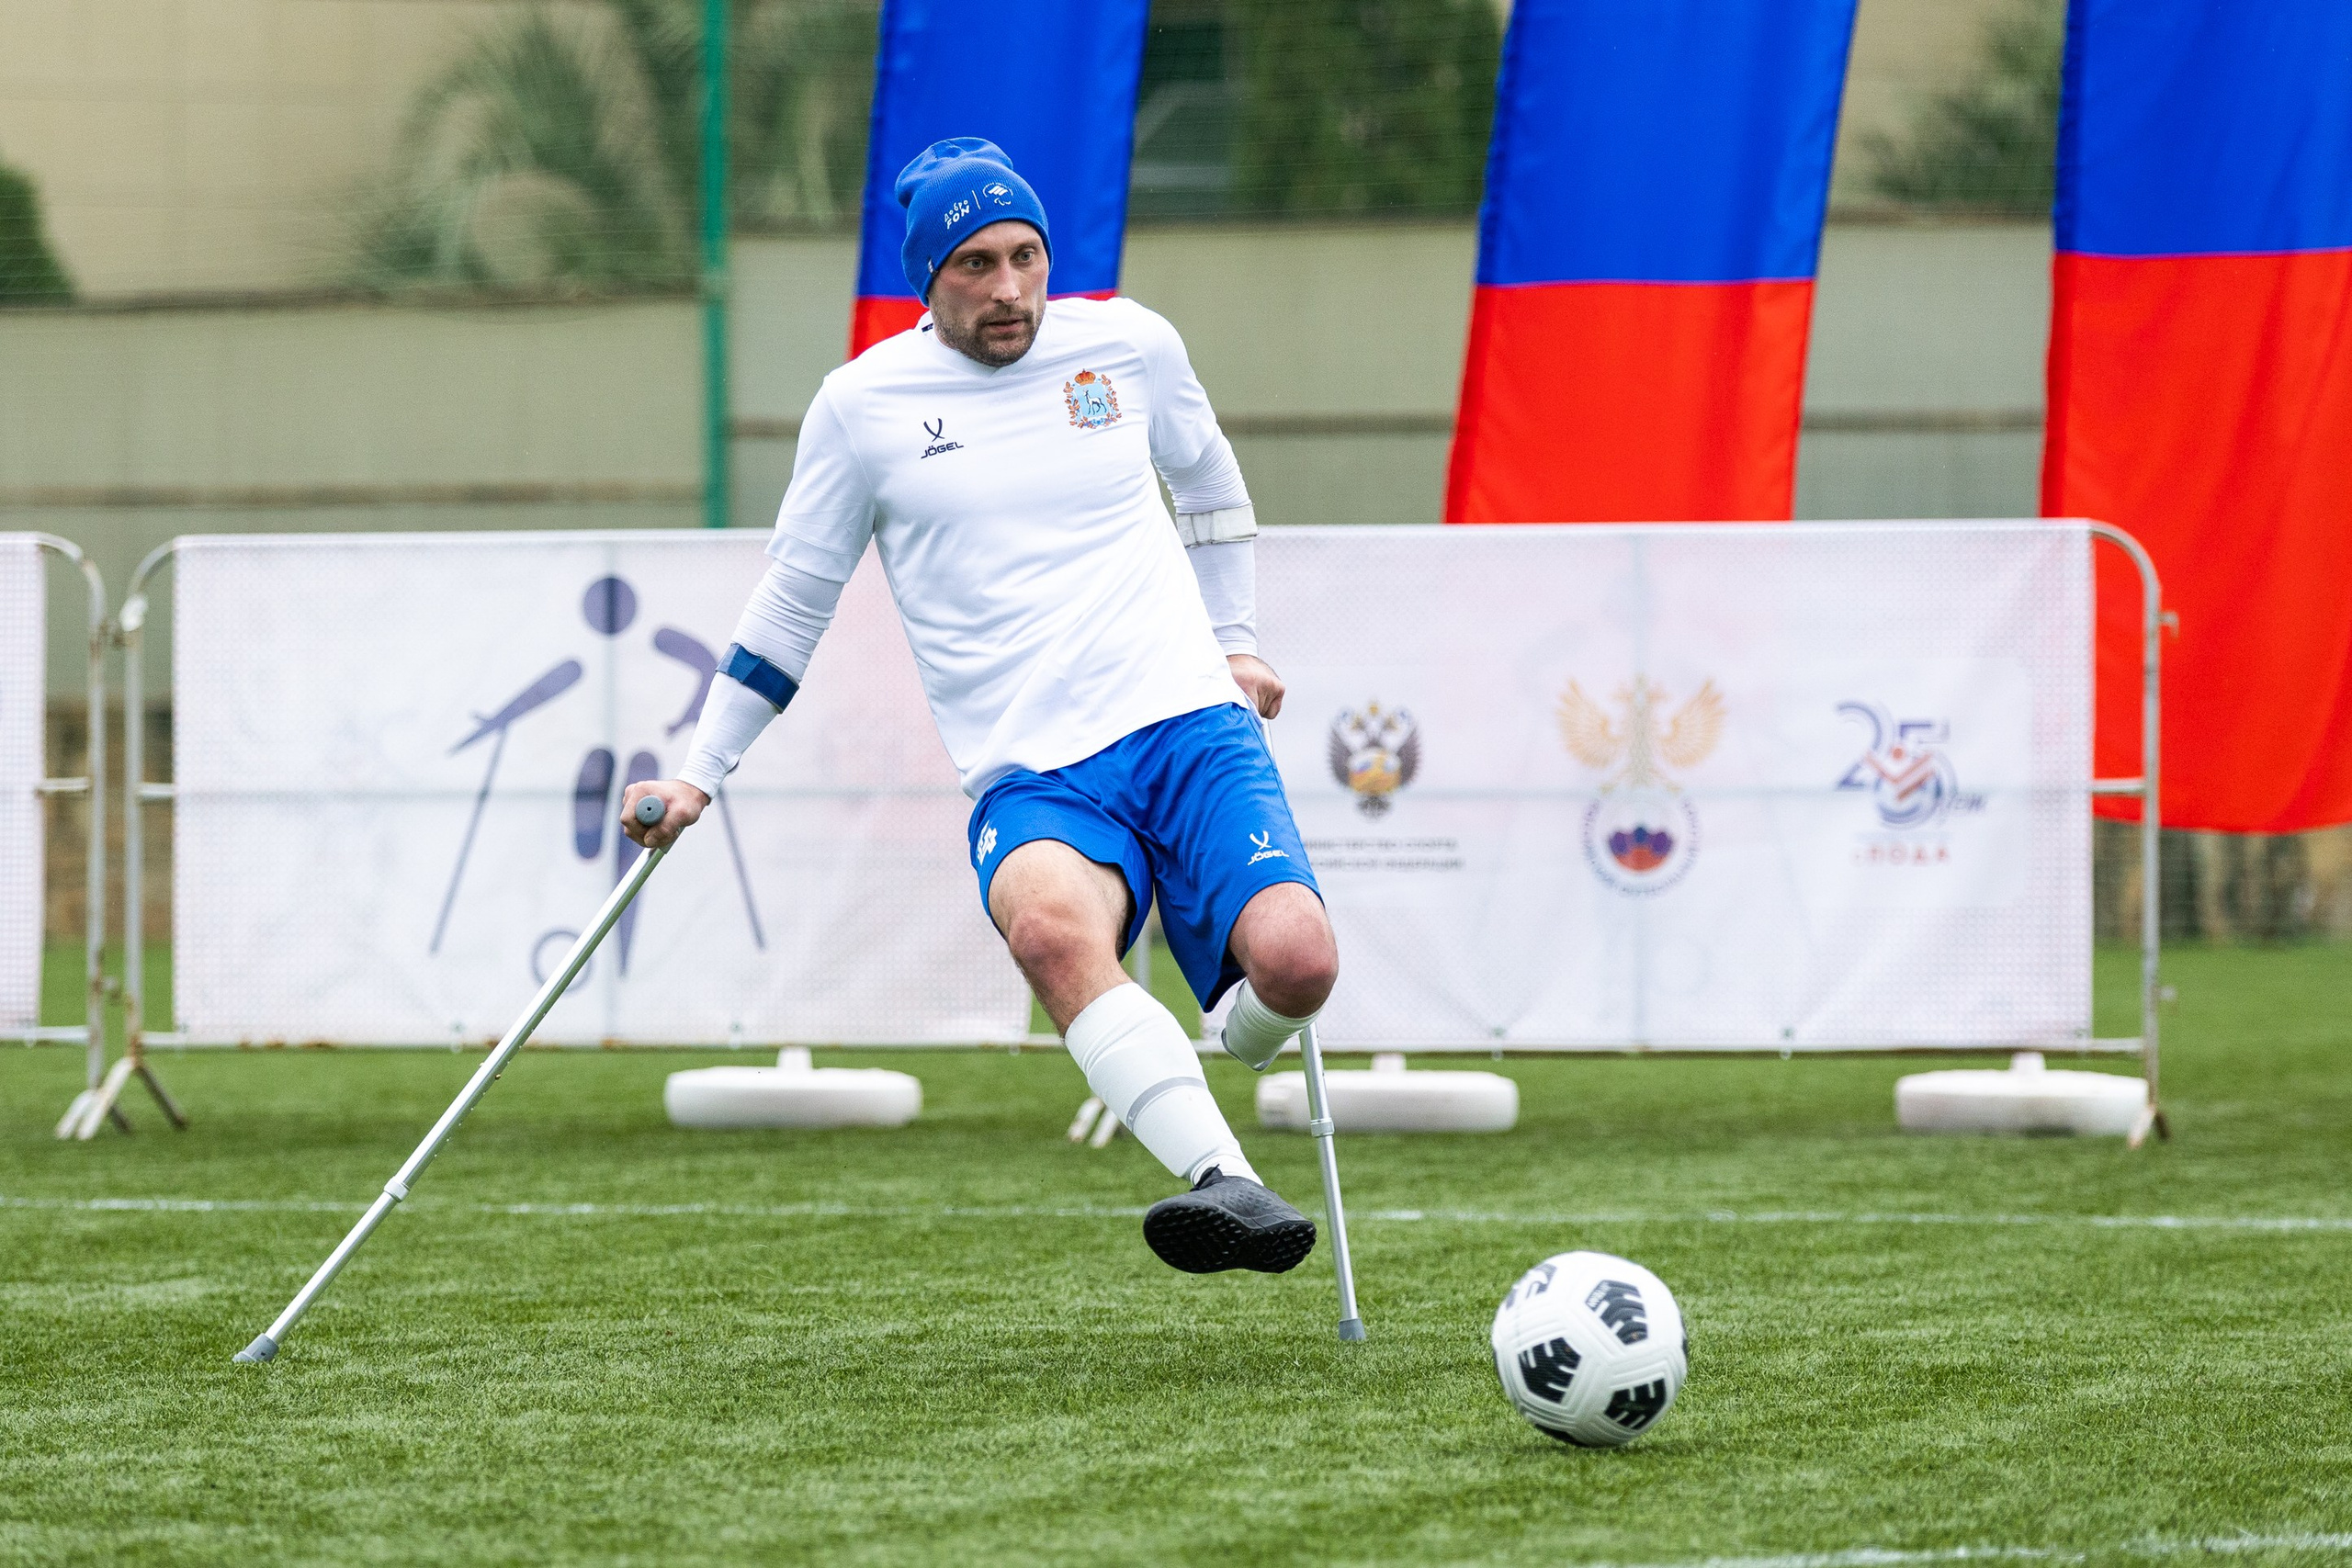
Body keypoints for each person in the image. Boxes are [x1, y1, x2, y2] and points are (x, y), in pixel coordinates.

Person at [623, 138, 1338, 1276]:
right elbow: (790, 608)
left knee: (1298, 966)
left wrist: (1235, 642)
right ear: (926, 278)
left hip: (1187, 722)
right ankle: (1229, 1184)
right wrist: (699, 772)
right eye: (974, 265)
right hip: (1033, 771)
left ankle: (1226, 1040)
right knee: (1052, 931)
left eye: (1025, 257)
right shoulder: (861, 407)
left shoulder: (1130, 345)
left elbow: (1209, 489)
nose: (1008, 290)